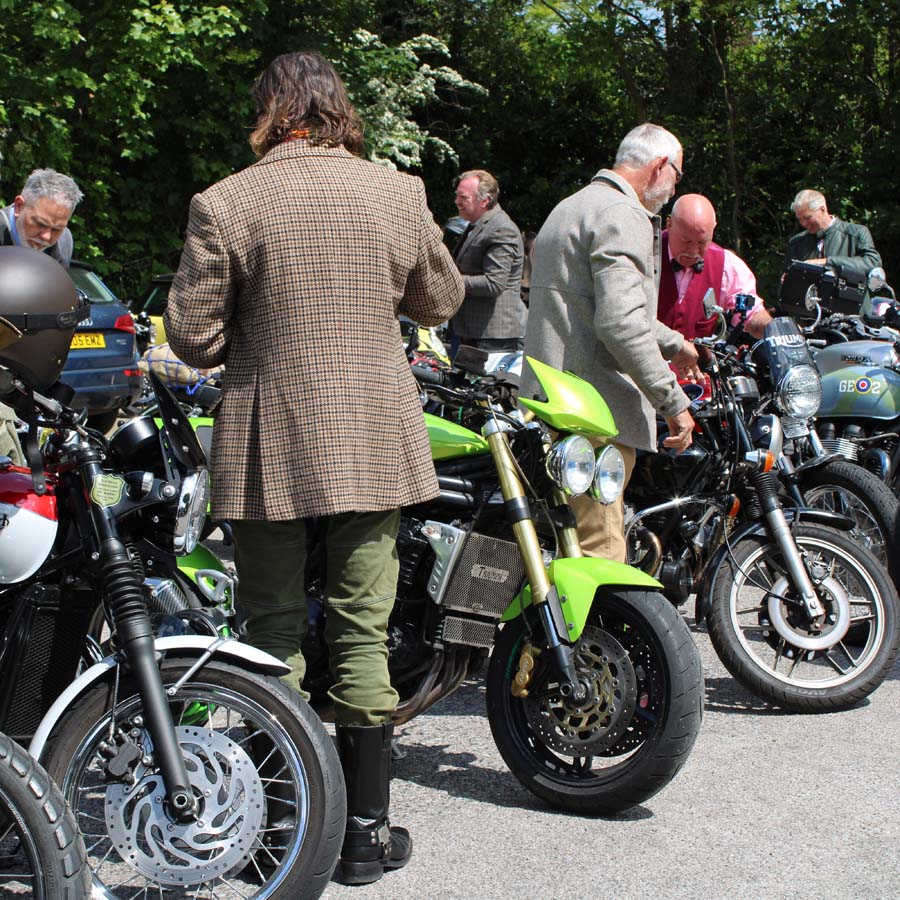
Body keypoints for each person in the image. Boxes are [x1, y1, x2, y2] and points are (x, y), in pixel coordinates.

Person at [164, 50, 464, 885]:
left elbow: (192, 337)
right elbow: (440, 302)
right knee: (364, 631)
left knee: (270, 636)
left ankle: (281, 829)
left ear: (270, 109)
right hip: (373, 431)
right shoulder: (395, 192)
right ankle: (364, 837)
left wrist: (250, 337)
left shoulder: (227, 201)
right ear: (339, 108)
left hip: (270, 437)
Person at [523, 122, 697, 563]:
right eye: (676, 176)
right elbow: (620, 322)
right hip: (591, 417)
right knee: (600, 555)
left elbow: (598, 306)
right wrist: (672, 401)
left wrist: (677, 345)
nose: (673, 190)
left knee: (556, 551)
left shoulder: (570, 207)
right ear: (660, 166)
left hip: (549, 406)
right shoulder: (624, 213)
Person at [660, 193, 772, 340]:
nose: (693, 251)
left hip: (694, 362)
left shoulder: (726, 264)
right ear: (669, 225)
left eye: (702, 242)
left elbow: (751, 312)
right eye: (686, 241)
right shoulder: (643, 253)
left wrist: (775, 330)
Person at [450, 169, 526, 352]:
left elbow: (494, 283)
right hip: (473, 331)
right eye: (457, 196)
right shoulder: (476, 226)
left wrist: (450, 281)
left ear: (484, 201)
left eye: (464, 197)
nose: (457, 202)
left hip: (493, 337)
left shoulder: (501, 229)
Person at [785, 188, 881, 286]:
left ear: (823, 209)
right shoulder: (797, 243)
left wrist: (827, 262)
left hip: (849, 300)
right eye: (799, 219)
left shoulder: (855, 233)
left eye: (807, 218)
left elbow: (872, 264)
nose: (803, 224)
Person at [0, 168, 82, 269]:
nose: (46, 237)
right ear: (19, 206)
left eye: (57, 229)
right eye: (41, 223)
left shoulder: (63, 241)